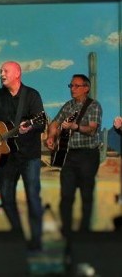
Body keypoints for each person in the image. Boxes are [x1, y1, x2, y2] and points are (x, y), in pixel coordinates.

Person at [0, 61, 45, 252]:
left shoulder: (32, 95)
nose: (1, 74)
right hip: (6, 157)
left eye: (5, 71)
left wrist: (30, 126)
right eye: (0, 71)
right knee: (6, 197)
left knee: (33, 197)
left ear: (17, 74)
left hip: (28, 156)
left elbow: (41, 123)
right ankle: (18, 234)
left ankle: (36, 241)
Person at [46, 74, 102, 240]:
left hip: (88, 155)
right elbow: (55, 123)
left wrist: (74, 126)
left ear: (86, 88)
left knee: (86, 194)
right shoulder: (67, 106)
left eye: (76, 86)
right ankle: (67, 231)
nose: (73, 89)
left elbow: (92, 129)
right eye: (71, 86)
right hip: (69, 156)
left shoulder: (94, 106)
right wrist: (51, 136)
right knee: (66, 195)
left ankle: (84, 232)